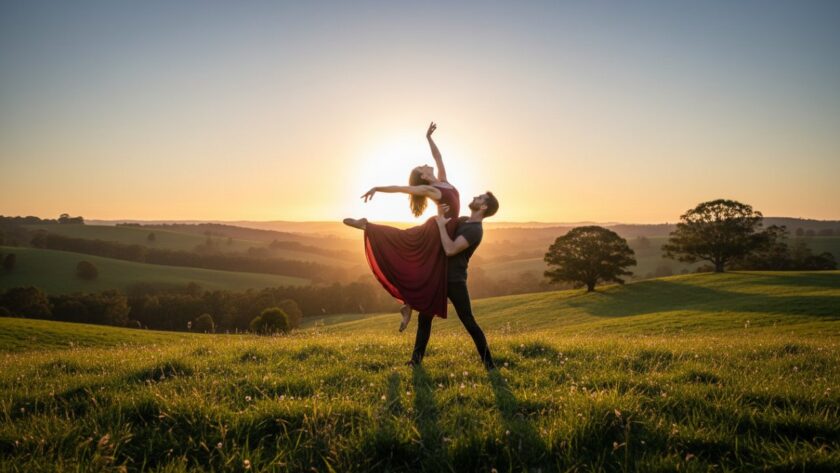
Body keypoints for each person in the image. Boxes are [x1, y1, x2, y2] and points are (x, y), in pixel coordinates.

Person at [343, 122, 459, 331]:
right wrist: (377, 188)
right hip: (437, 231)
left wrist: (429, 138)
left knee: (424, 268)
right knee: (404, 245)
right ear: (423, 176)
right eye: (421, 167)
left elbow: (438, 157)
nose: (425, 164)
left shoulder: (443, 180)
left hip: (444, 228)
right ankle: (367, 226)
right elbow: (401, 188)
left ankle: (408, 305)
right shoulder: (430, 189)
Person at [408, 192, 499, 369]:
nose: (475, 197)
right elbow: (442, 228)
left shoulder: (475, 230)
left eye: (480, 198)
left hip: (454, 280)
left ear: (484, 207)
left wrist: (442, 226)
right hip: (439, 277)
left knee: (468, 321)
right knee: (424, 318)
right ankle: (415, 362)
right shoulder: (464, 220)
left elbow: (450, 249)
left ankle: (490, 365)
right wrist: (440, 213)